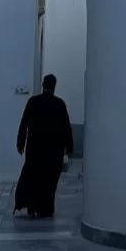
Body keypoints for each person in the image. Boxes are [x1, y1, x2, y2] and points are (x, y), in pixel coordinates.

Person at [14, 74, 74, 218]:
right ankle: (45, 208)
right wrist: (69, 146)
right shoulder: (59, 104)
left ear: (43, 85)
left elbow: (24, 123)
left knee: (33, 176)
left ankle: (31, 204)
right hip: (53, 151)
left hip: (35, 149)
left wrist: (21, 142)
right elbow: (66, 127)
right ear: (54, 86)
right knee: (49, 180)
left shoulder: (33, 102)